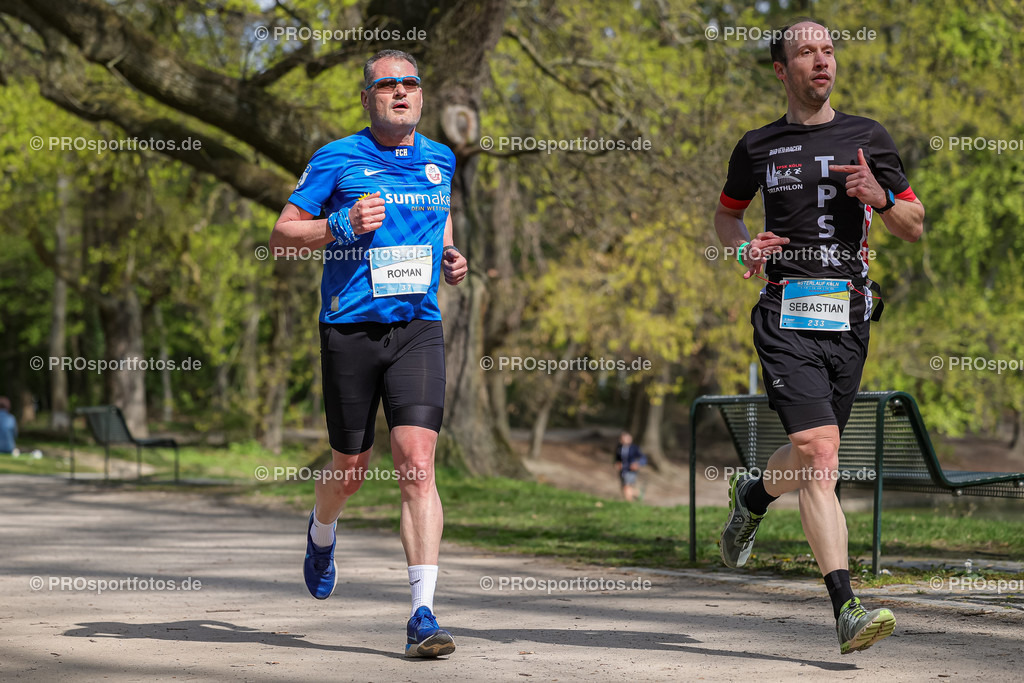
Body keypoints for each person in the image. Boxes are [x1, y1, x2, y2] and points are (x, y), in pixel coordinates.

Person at [712, 19, 924, 654]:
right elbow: (727, 216)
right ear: (782, 70)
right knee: (820, 451)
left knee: (812, 458)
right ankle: (846, 606)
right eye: (806, 53)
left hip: (850, 320)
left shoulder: (868, 137)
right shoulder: (757, 146)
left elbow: (914, 224)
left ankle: (751, 494)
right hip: (785, 314)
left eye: (828, 50)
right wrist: (744, 248)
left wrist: (882, 199)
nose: (821, 61)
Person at [269, 48, 468, 658]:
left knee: (417, 461)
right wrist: (343, 225)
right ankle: (322, 530)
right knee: (349, 470)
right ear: (367, 99)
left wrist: (453, 258)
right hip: (350, 330)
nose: (401, 92)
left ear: (422, 96)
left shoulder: (441, 158)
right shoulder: (337, 158)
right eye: (388, 86)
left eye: (410, 84)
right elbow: (281, 237)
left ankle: (423, 614)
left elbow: (441, 224)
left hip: (418, 327)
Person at [614, 431, 646, 501]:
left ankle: (629, 503)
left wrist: (637, 464)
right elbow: (617, 458)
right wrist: (617, 463)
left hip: (631, 470)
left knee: (627, 486)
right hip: (623, 470)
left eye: (627, 438)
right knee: (623, 487)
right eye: (623, 439)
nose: (624, 440)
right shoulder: (619, 448)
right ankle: (638, 493)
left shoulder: (634, 448)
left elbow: (643, 458)